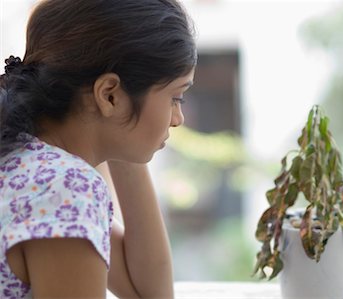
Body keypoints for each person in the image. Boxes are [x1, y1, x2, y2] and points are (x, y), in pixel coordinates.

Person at [0, 0, 197, 297]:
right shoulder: (63, 187)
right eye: (175, 97)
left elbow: (149, 293)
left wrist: (119, 132)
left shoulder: (28, 164)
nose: (177, 119)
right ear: (109, 95)